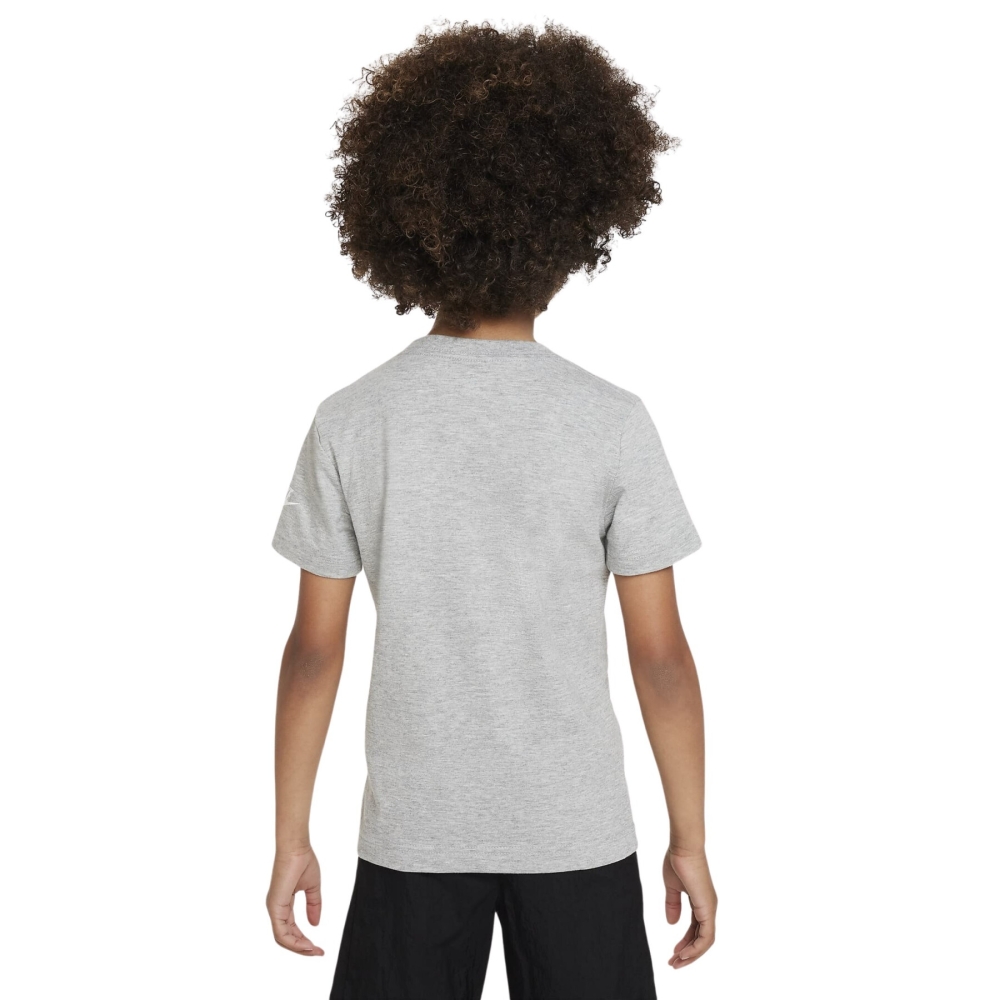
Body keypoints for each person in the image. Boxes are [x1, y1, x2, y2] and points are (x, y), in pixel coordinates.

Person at [266, 21, 717, 999]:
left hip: (413, 834)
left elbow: (313, 649)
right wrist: (689, 838)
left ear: (411, 228)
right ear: (572, 228)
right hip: (578, 831)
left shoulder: (353, 419)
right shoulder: (612, 422)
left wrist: (291, 835)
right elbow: (661, 657)